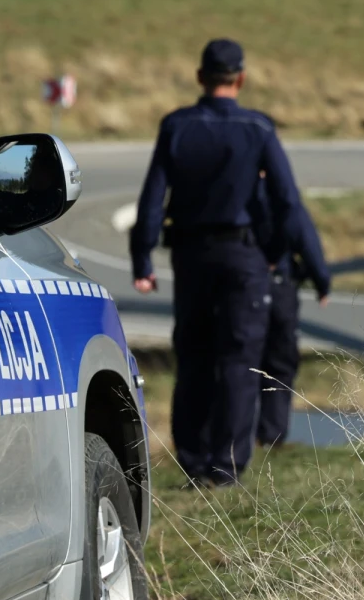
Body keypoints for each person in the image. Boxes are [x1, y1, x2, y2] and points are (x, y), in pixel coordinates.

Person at [130, 38, 326, 487]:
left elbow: (153, 198)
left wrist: (143, 259)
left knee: (194, 355)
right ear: (241, 79)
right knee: (240, 360)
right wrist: (274, 253)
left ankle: (193, 459)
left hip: (191, 256)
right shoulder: (258, 128)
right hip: (244, 257)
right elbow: (287, 200)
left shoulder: (176, 126)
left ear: (200, 77)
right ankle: (226, 466)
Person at [252, 171, 331, 447]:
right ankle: (271, 436)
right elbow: (306, 240)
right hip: (278, 288)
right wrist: (321, 282)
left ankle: (235, 435)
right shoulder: (282, 196)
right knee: (279, 363)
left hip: (238, 286)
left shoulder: (232, 188)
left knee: (238, 360)